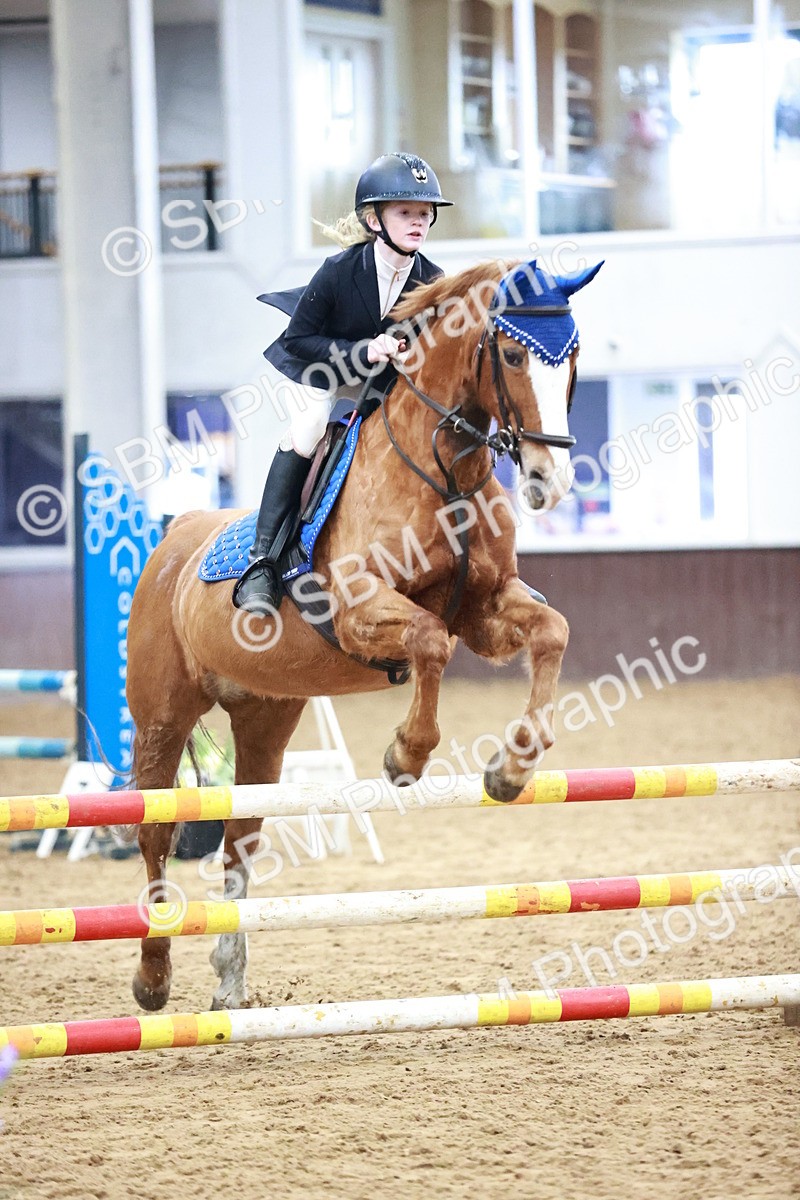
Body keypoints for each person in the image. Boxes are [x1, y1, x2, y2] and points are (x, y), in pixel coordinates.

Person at [232, 152, 452, 614]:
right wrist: (362, 351)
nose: (418, 223)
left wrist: (416, 356)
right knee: (311, 427)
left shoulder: (433, 281)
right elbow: (300, 338)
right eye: (405, 213)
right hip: (323, 367)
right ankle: (262, 562)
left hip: (383, 383)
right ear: (374, 220)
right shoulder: (339, 269)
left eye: (424, 214)